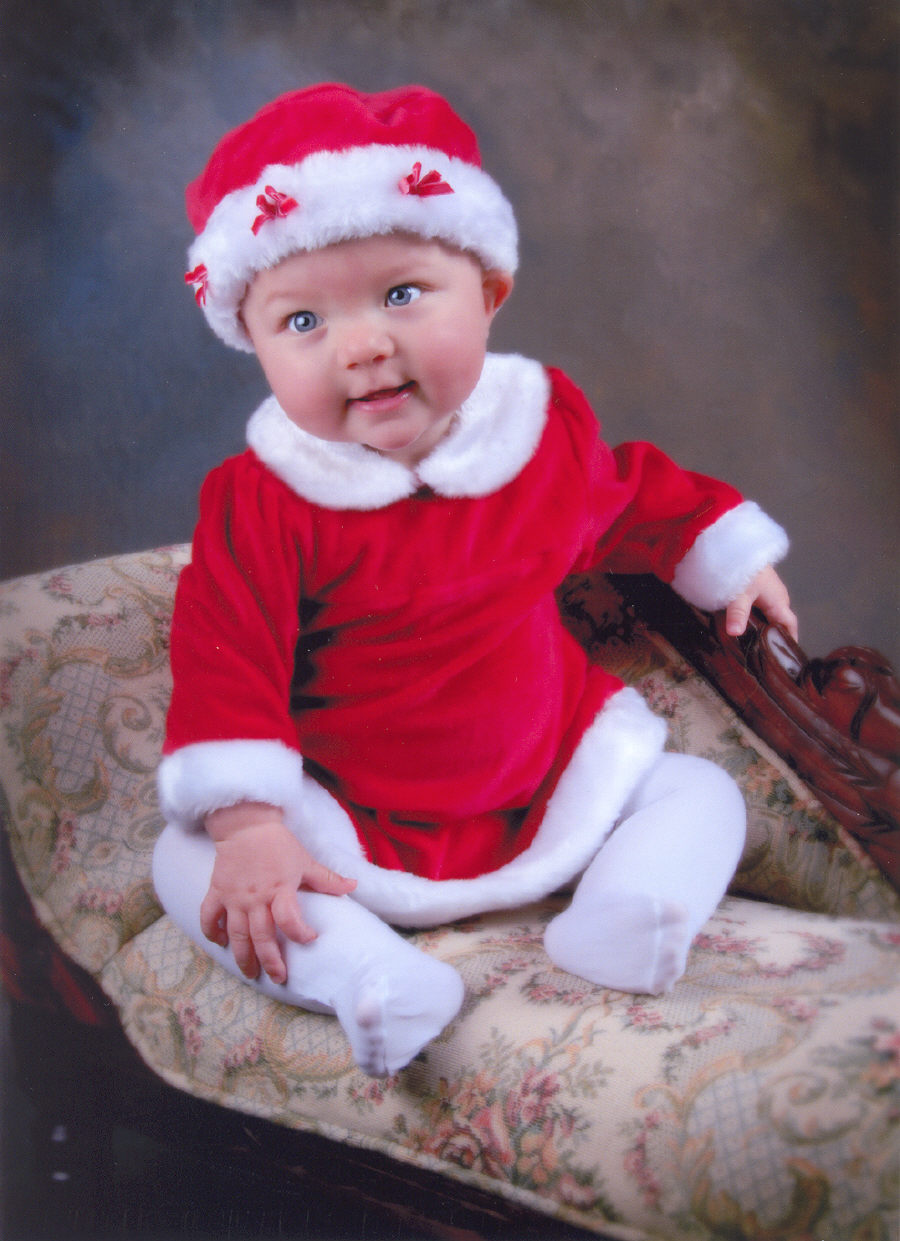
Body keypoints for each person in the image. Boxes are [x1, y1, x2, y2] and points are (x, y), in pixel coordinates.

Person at [153, 83, 798, 1077]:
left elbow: (628, 495)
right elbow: (225, 654)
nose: (363, 345)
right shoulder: (264, 499)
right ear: (254, 342)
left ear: (490, 290)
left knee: (699, 790)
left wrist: (728, 552)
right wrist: (249, 824)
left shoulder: (540, 435)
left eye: (401, 294)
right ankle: (370, 977)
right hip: (350, 823)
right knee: (188, 857)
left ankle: (630, 914)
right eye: (303, 320)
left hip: (546, 783)